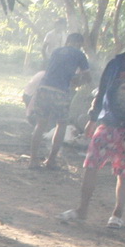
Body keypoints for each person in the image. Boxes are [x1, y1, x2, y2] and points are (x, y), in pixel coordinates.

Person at [59, 19, 125, 229]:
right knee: (90, 166)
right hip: (109, 123)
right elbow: (102, 92)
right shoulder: (115, 64)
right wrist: (92, 119)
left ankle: (117, 214)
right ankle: (82, 209)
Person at [28, 32, 90, 167]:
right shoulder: (80, 54)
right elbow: (87, 77)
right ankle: (51, 160)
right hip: (60, 92)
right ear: (80, 44)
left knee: (40, 124)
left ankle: (33, 160)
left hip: (43, 89)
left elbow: (56, 70)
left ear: (67, 41)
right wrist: (80, 82)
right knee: (61, 124)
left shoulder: (56, 51)